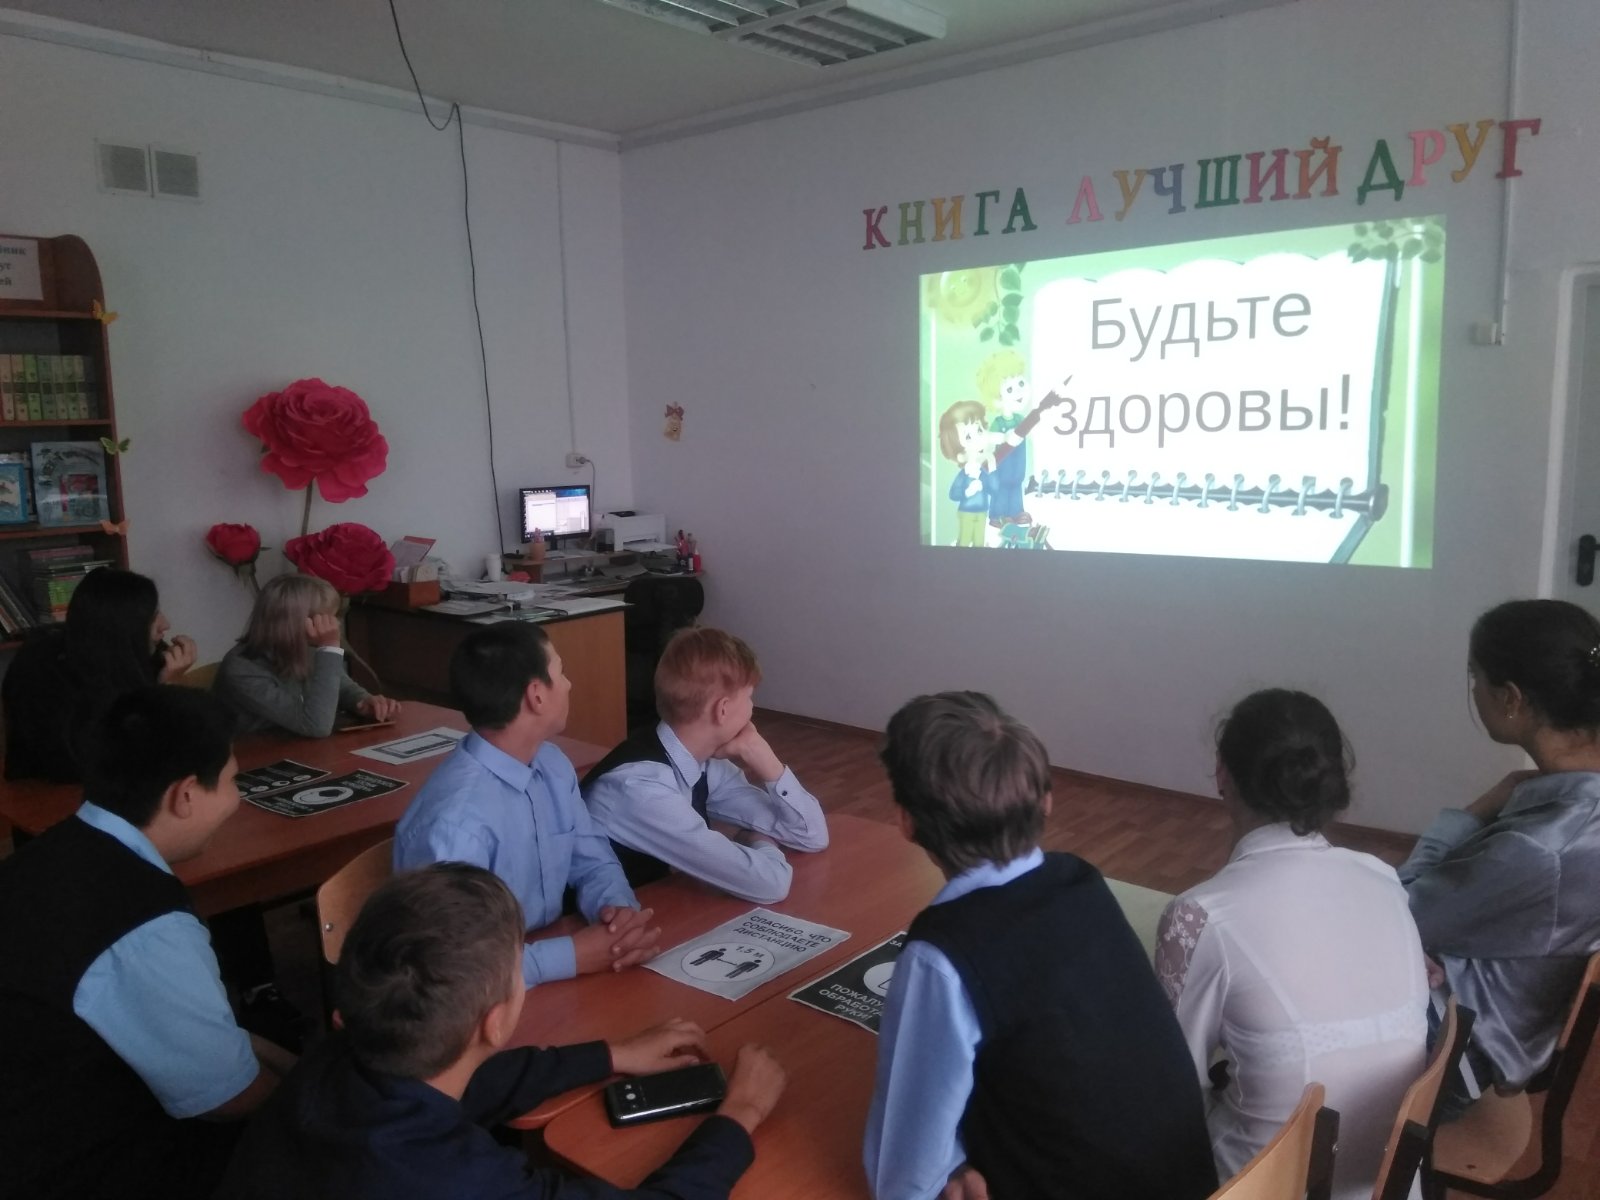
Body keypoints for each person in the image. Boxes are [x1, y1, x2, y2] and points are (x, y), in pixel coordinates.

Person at [219, 863, 787, 1199]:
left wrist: (610, 1055)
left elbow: (467, 1081)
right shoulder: (458, 1179)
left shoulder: (345, 1053)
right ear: (495, 1021)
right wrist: (740, 1116)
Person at [864, 691, 1216, 1200]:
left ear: (906, 821)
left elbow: (901, 1180)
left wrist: (947, 1168)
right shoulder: (1080, 881)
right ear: (1045, 801)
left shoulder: (941, 956)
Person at [0, 686, 295, 1200]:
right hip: (74, 1165)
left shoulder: (49, 853)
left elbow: (206, 1037)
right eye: (231, 781)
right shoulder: (146, 926)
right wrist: (318, 1103)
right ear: (185, 795)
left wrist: (296, 1068)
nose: (237, 799)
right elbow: (229, 1096)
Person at [1155, 690, 1428, 1199]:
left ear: (1222, 774)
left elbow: (1171, 1086)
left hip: (1265, 1184)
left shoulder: (1199, 917)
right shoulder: (1383, 879)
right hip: (1391, 1184)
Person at [1399, 599, 1600, 1106]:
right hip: (1505, 1013)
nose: (1473, 690)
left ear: (1511, 698)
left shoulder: (1544, 846)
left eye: (1475, 677)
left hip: (1456, 1049)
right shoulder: (1574, 807)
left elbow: (1400, 917)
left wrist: (1475, 810)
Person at [394, 621, 661, 987]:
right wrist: (573, 956)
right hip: (482, 991)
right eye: (561, 672)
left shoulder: (552, 765)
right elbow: (449, 967)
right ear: (537, 695)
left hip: (540, 959)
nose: (568, 684)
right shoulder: (455, 826)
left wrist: (618, 914)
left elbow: (593, 860)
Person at [582, 626, 828, 903]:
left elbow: (811, 836)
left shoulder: (704, 763)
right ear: (722, 709)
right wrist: (761, 840)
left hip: (649, 909)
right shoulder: (639, 788)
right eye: (749, 697)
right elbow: (769, 884)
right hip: (590, 923)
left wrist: (763, 756)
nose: (752, 708)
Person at [3, 565, 197, 781]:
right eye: (151, 618)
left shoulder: (141, 658)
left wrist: (172, 688)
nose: (165, 625)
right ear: (120, 629)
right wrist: (166, 691)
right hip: (55, 792)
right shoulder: (48, 676)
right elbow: (125, 764)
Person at [212, 573, 400, 736]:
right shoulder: (242, 668)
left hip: (295, 745)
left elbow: (340, 685)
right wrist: (329, 648)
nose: (335, 625)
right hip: (252, 755)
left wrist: (363, 700)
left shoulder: (306, 647)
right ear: (295, 624)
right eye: (327, 618)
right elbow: (315, 725)